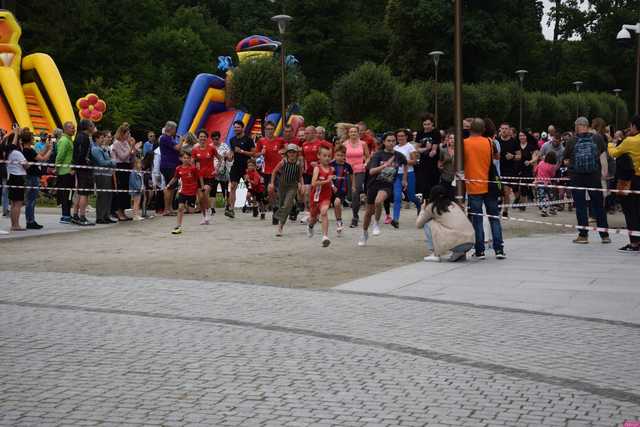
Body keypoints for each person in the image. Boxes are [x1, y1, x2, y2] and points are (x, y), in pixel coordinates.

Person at [464, 118, 506, 260]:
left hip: (473, 185)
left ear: (470, 129)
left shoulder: (465, 143)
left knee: (477, 219)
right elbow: (497, 157)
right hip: (490, 184)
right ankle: (499, 249)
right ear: (483, 130)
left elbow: (459, 162)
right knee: (494, 217)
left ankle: (480, 250)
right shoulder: (489, 142)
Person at [563, 117, 610, 244]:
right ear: (587, 126)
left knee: (580, 206)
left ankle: (583, 236)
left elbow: (566, 159)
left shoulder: (572, 140)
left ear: (578, 126)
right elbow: (603, 155)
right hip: (594, 176)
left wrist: (569, 165)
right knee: (599, 205)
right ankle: (604, 235)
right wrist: (604, 172)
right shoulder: (598, 138)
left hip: (577, 177)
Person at [359, 132, 407, 246]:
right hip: (373, 184)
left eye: (393, 141)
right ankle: (364, 233)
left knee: (379, 201)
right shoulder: (378, 155)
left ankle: (376, 223)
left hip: (387, 184)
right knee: (368, 213)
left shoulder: (399, 156)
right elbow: (371, 171)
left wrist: (405, 179)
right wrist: (385, 165)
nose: (391, 143)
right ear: (384, 142)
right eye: (388, 141)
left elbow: (405, 164)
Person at [416, 185, 475, 262]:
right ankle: (460, 253)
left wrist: (422, 210)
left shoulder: (432, 207)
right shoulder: (453, 204)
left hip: (457, 243)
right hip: (470, 241)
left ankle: (435, 254)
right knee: (450, 223)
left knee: (429, 223)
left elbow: (419, 224)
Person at [608, 115, 640, 253]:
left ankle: (634, 243)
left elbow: (614, 153)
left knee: (630, 211)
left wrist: (611, 142)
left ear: (634, 125)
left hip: (631, 180)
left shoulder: (630, 141)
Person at [23, 129, 53, 229]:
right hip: (32, 177)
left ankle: (31, 220)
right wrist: (49, 150)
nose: (34, 140)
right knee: (31, 200)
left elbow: (38, 154)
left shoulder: (27, 150)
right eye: (32, 138)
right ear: (29, 139)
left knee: (31, 200)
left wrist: (46, 148)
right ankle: (30, 221)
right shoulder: (29, 150)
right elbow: (42, 159)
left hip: (32, 176)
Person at [270, 144, 304, 236]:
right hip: (282, 186)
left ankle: (279, 222)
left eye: (294, 152)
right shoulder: (283, 162)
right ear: (287, 153)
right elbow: (274, 172)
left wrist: (302, 185)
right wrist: (272, 183)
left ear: (297, 154)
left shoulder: (298, 163)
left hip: (292, 186)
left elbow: (300, 176)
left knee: (287, 204)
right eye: (290, 152)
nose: (292, 154)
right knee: (282, 205)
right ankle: (280, 222)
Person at [167, 151, 202, 235]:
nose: (186, 159)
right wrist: (168, 184)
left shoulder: (193, 168)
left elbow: (199, 179)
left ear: (190, 159)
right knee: (180, 208)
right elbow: (175, 178)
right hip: (183, 191)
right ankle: (178, 226)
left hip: (192, 192)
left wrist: (199, 191)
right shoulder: (178, 168)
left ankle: (195, 208)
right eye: (184, 158)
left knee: (191, 211)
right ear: (181, 159)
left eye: (188, 158)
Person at [192, 129, 221, 225]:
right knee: (200, 198)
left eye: (204, 137)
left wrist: (216, 169)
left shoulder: (211, 149)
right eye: (201, 136)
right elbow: (192, 162)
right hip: (199, 177)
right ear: (198, 138)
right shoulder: (195, 150)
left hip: (210, 176)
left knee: (205, 193)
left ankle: (208, 211)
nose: (202, 138)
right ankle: (204, 216)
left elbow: (220, 159)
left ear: (207, 138)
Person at [256, 121, 283, 223]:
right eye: (267, 129)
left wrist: (283, 152)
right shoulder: (261, 141)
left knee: (278, 191)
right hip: (266, 171)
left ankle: (278, 209)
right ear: (265, 130)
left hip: (278, 171)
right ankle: (275, 207)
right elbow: (255, 154)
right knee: (269, 191)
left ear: (274, 130)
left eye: (271, 129)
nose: (269, 131)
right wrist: (260, 153)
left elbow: (286, 150)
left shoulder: (280, 140)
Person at [111, 122, 139, 221]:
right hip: (120, 167)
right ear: (122, 134)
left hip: (127, 166)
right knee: (121, 189)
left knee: (126, 190)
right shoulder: (116, 143)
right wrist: (131, 148)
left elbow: (130, 155)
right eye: (127, 134)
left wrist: (134, 149)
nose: (129, 136)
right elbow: (122, 157)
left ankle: (123, 211)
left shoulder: (126, 143)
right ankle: (119, 211)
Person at [391, 129, 419, 228]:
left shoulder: (410, 147)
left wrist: (403, 161)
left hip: (409, 173)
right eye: (398, 136)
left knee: (411, 197)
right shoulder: (394, 147)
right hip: (396, 174)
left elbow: (415, 161)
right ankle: (395, 219)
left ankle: (419, 205)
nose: (400, 138)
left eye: (402, 136)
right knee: (397, 196)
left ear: (406, 137)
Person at [307, 145, 335, 247]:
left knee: (324, 212)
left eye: (329, 156)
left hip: (326, 196)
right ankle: (310, 226)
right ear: (319, 156)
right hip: (315, 197)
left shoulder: (332, 168)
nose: (327, 158)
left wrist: (332, 185)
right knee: (313, 219)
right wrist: (326, 181)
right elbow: (313, 183)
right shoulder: (317, 169)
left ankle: (325, 237)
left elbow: (330, 181)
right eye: (324, 155)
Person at [71, 119, 96, 226]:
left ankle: (75, 215)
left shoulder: (80, 136)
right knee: (84, 193)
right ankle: (82, 217)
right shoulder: (83, 137)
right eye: (92, 125)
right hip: (84, 169)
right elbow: (81, 154)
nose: (94, 126)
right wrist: (86, 162)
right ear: (87, 127)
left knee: (80, 192)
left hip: (80, 168)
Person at [228, 120, 255, 218]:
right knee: (232, 186)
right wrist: (230, 156)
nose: (236, 129)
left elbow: (253, 154)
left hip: (246, 167)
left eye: (238, 127)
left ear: (242, 128)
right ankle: (231, 209)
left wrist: (242, 151)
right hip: (236, 166)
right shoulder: (232, 140)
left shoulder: (248, 139)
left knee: (252, 189)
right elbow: (232, 152)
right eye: (234, 127)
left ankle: (255, 205)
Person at [343, 126, 369, 227]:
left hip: (359, 170)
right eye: (351, 132)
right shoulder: (345, 144)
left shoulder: (363, 144)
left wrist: (365, 164)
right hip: (348, 170)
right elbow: (341, 156)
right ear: (348, 134)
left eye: (355, 132)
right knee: (350, 196)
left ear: (358, 133)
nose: (353, 133)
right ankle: (360, 199)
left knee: (355, 192)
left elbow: (368, 156)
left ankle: (355, 217)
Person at [90, 130, 117, 224]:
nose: (103, 139)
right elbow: (102, 162)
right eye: (101, 138)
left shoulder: (102, 148)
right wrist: (112, 162)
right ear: (96, 139)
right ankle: (100, 217)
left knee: (108, 196)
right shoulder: (95, 149)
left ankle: (106, 215)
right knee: (102, 196)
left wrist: (110, 162)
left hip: (107, 174)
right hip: (101, 174)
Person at [414, 113, 441, 200]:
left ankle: (434, 200)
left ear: (432, 123)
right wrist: (426, 148)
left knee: (433, 183)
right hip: (423, 162)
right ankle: (424, 202)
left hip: (433, 163)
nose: (426, 126)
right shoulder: (420, 132)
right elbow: (417, 148)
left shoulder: (436, 132)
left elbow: (434, 150)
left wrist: (431, 150)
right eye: (425, 124)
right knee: (423, 184)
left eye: (428, 124)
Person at [159, 121, 183, 216]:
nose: (175, 131)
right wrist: (181, 141)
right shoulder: (165, 138)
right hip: (168, 165)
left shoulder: (170, 138)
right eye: (175, 129)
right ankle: (166, 209)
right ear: (171, 129)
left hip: (172, 165)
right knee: (169, 187)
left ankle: (170, 208)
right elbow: (177, 148)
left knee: (173, 187)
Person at [330, 144, 353, 234]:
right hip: (330, 189)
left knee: (337, 203)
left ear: (345, 156)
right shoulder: (331, 164)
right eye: (338, 155)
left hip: (342, 189)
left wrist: (354, 186)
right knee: (330, 206)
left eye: (342, 155)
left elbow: (352, 175)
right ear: (334, 155)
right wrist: (332, 186)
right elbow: (328, 176)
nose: (340, 157)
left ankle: (339, 222)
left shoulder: (348, 166)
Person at [55, 121, 75, 224]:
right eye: (72, 128)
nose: (74, 130)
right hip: (64, 172)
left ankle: (67, 214)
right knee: (65, 195)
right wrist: (57, 169)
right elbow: (60, 156)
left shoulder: (69, 140)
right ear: (66, 129)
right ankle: (65, 215)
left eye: (74, 128)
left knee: (69, 195)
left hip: (69, 171)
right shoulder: (64, 141)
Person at [513, 130, 539, 209]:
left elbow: (536, 157)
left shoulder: (531, 146)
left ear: (526, 136)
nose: (521, 137)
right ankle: (517, 198)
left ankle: (522, 204)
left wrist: (530, 161)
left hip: (527, 168)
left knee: (524, 186)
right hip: (516, 167)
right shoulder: (516, 145)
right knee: (514, 186)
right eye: (520, 136)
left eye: (523, 135)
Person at [6, 129, 26, 231]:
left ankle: (14, 224)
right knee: (18, 203)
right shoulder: (17, 153)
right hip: (18, 177)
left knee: (14, 203)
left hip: (12, 177)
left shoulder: (9, 152)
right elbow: (25, 165)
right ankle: (16, 225)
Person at [498, 123, 517, 217]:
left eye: (506, 128)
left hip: (509, 170)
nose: (504, 130)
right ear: (500, 130)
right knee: (498, 191)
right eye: (502, 129)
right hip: (497, 170)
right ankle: (499, 206)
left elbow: (519, 156)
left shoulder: (514, 142)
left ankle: (505, 211)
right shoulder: (496, 141)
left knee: (506, 192)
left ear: (509, 130)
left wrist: (513, 156)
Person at [212, 131, 232, 215]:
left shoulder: (225, 146)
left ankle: (227, 205)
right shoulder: (210, 147)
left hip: (223, 170)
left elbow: (229, 157)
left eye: (216, 139)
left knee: (225, 189)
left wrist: (227, 156)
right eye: (213, 139)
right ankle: (212, 208)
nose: (215, 141)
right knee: (213, 190)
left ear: (219, 138)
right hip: (213, 171)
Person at [533, 151, 558, 217]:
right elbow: (552, 175)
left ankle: (544, 210)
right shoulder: (552, 166)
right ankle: (552, 209)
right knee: (550, 196)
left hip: (539, 182)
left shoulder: (541, 163)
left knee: (542, 197)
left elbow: (535, 170)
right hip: (548, 183)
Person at [438, 132, 456, 200]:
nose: (452, 140)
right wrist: (441, 165)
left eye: (454, 138)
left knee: (454, 198)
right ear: (448, 140)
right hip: (445, 177)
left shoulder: (460, 150)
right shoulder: (443, 150)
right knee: (444, 197)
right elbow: (440, 163)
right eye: (450, 138)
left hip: (456, 178)